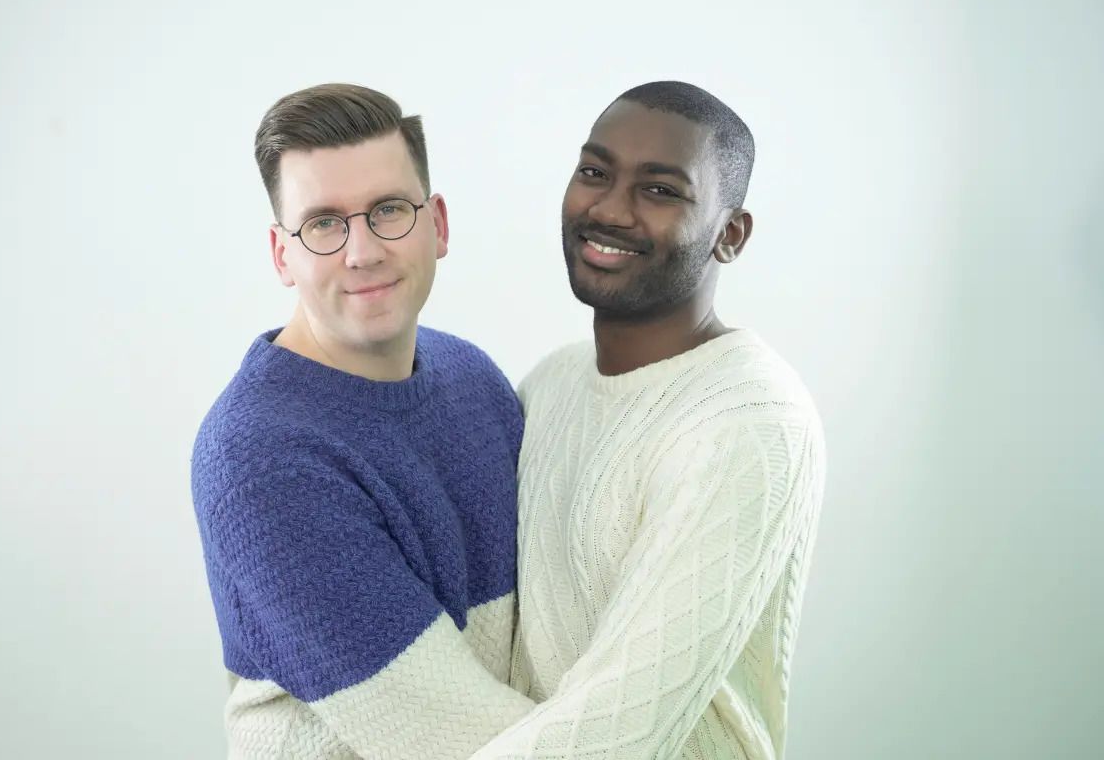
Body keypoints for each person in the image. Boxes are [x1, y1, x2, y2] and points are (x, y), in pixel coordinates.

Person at [470, 81, 827, 759]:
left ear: (730, 235)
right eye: (594, 172)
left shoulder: (751, 420)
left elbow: (621, 726)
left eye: (660, 190)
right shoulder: (549, 384)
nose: (609, 209)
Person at [190, 83, 536, 759]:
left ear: (438, 224)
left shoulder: (473, 379)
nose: (363, 251)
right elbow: (454, 739)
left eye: (388, 210)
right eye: (323, 223)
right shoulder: (259, 460)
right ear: (281, 255)